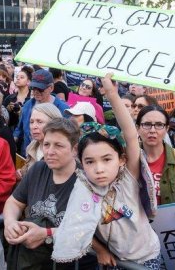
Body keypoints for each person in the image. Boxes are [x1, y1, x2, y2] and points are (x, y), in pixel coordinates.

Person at [52, 73, 161, 268]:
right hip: (115, 263)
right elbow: (75, 224)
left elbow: (130, 134)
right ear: (81, 163)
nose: (99, 169)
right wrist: (100, 249)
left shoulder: (128, 177)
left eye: (107, 159)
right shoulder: (83, 188)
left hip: (146, 261)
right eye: (90, 161)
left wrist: (111, 93)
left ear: (122, 160)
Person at [3, 118, 98, 269]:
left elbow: (90, 230)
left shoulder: (87, 180)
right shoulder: (38, 169)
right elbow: (14, 202)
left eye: (58, 145)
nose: (50, 151)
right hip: (34, 262)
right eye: (46, 144)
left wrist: (46, 233)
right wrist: (10, 222)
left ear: (74, 149)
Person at [136, 105, 175, 215]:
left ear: (167, 128)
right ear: (137, 128)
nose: (152, 130)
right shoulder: (129, 157)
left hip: (165, 223)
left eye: (159, 125)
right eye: (147, 124)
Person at [14, 69, 69, 157]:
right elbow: (19, 129)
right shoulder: (28, 105)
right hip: (29, 156)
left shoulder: (63, 109)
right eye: (33, 88)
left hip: (51, 158)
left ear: (51, 88)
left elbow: (68, 137)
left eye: (40, 88)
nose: (35, 91)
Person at [18, 103, 63, 179]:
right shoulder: (31, 147)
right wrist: (22, 172)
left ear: (54, 124)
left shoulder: (61, 153)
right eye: (31, 122)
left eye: (39, 122)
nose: (33, 127)